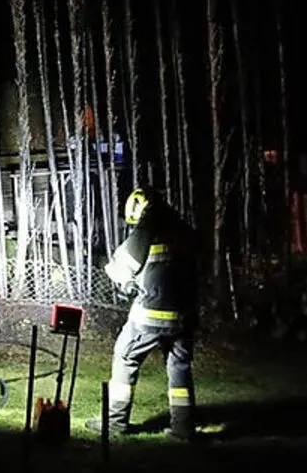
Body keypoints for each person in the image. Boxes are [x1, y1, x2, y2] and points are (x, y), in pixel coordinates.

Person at [86, 188, 198, 440]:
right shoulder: (184, 230)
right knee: (179, 367)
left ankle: (115, 422)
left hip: (151, 315)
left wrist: (125, 282)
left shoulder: (148, 226)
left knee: (125, 357)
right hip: (184, 316)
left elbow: (125, 262)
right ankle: (183, 427)